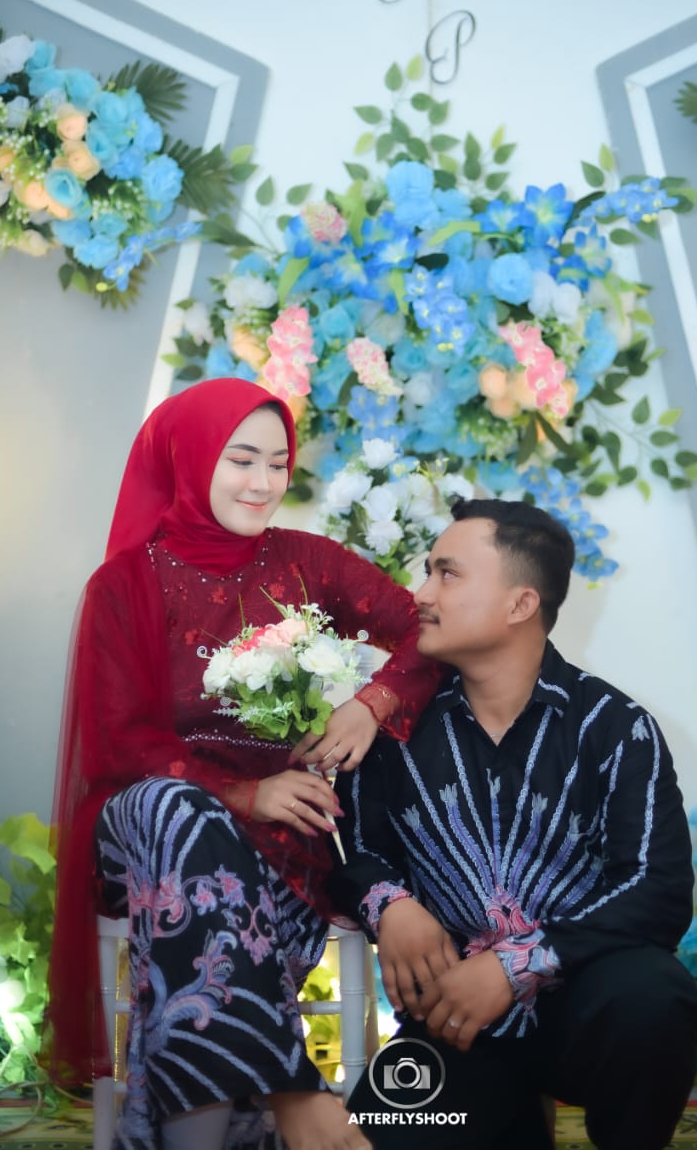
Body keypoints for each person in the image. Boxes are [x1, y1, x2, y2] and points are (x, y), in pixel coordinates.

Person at [43, 378, 441, 1150]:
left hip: (280, 840)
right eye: (241, 459)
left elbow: (425, 631)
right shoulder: (123, 585)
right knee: (178, 811)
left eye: (278, 463)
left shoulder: (307, 564)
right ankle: (293, 1089)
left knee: (204, 915)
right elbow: (121, 744)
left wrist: (370, 703)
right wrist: (241, 792)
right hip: (149, 829)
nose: (263, 482)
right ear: (189, 461)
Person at [331, 498, 697, 1150]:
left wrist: (515, 965)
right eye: (428, 572)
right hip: (454, 1024)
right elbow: (358, 850)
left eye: (448, 574)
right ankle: (515, 1120)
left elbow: (658, 891)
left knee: (654, 998)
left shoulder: (614, 728)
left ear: (520, 604)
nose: (421, 594)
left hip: (586, 1006)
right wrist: (391, 906)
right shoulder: (391, 730)